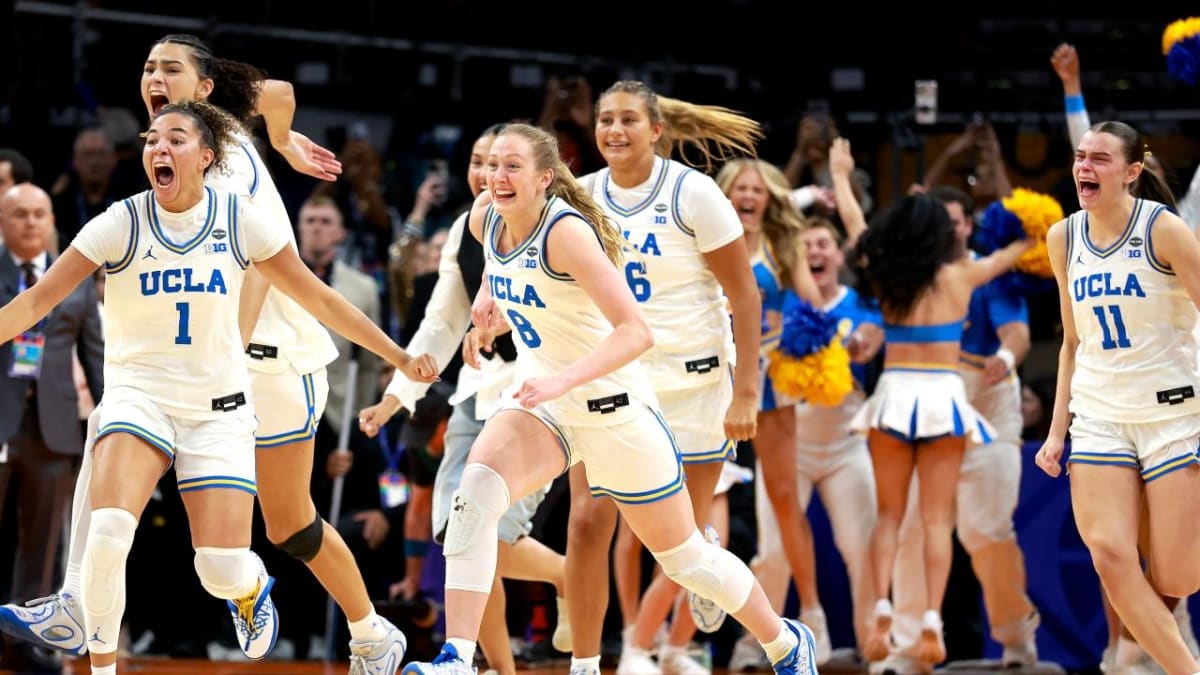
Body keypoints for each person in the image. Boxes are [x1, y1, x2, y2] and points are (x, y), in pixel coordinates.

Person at [0, 33, 411, 674]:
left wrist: (228, 355)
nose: (154, 77)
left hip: (272, 360)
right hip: (192, 370)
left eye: (171, 69)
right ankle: (79, 604)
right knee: (112, 464)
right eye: (148, 68)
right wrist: (282, 134)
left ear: (206, 91)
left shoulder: (224, 170)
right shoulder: (184, 150)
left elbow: (257, 277)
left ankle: (370, 632)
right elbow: (279, 91)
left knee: (290, 526)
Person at [399, 123, 817, 675]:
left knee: (685, 557)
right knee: (472, 498)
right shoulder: (484, 217)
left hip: (611, 408)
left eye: (511, 166)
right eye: (491, 164)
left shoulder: (566, 233)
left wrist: (562, 381)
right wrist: (486, 308)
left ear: (545, 178)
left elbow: (635, 333)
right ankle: (457, 658)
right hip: (546, 405)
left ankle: (786, 642)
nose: (496, 176)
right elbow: (497, 271)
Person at [565, 81, 764, 675]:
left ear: (656, 130)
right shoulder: (580, 196)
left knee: (679, 544)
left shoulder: (694, 193)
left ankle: (705, 574)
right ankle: (603, 654)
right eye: (605, 120)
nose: (614, 131)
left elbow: (745, 295)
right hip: (616, 382)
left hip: (693, 384)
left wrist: (748, 389)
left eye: (628, 120)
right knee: (590, 522)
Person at [358, 123, 572, 675]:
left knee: (492, 539)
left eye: (500, 162)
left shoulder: (559, 226)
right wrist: (396, 396)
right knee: (461, 540)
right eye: (479, 162)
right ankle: (491, 668)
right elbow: (442, 323)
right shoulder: (466, 227)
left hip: (537, 396)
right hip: (476, 397)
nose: (487, 174)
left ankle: (571, 577)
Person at [1050, 44, 1200, 672]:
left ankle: (1165, 640)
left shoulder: (1164, 228)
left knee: (1177, 575)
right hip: (1102, 415)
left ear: (1132, 171)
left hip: (1171, 412)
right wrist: (1058, 430)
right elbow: (1071, 341)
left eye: (1099, 158)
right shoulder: (1062, 236)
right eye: (1080, 156)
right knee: (1109, 554)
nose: (1085, 165)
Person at [850, 192, 1030, 665]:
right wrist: (1033, 225)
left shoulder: (886, 276)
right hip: (942, 398)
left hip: (893, 396)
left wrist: (846, 182)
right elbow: (1020, 251)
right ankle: (931, 616)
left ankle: (883, 606)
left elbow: (856, 228)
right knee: (936, 520)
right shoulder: (962, 276)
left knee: (889, 516)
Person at [728, 216, 883, 671]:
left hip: (845, 447)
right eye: (807, 244)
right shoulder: (786, 302)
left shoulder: (862, 306)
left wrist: (862, 343)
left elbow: (870, 339)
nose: (815, 251)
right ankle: (751, 647)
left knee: (862, 549)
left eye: (823, 244)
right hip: (788, 446)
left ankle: (874, 649)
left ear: (838, 256)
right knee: (772, 554)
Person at [712, 156, 828, 665]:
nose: (750, 196)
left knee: (785, 497)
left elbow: (815, 306)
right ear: (726, 196)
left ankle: (812, 612)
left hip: (770, 382)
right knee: (700, 492)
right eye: (741, 188)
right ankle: (690, 616)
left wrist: (813, 338)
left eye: (759, 189)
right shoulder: (706, 241)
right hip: (712, 377)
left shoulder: (783, 246)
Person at [0, 183, 104, 673]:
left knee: (42, 543)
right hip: (2, 421)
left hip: (53, 429)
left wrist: (114, 423)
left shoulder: (76, 278)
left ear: (51, 218)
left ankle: (27, 642)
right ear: (2, 221)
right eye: (19, 214)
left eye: (39, 214)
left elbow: (96, 355)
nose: (30, 223)